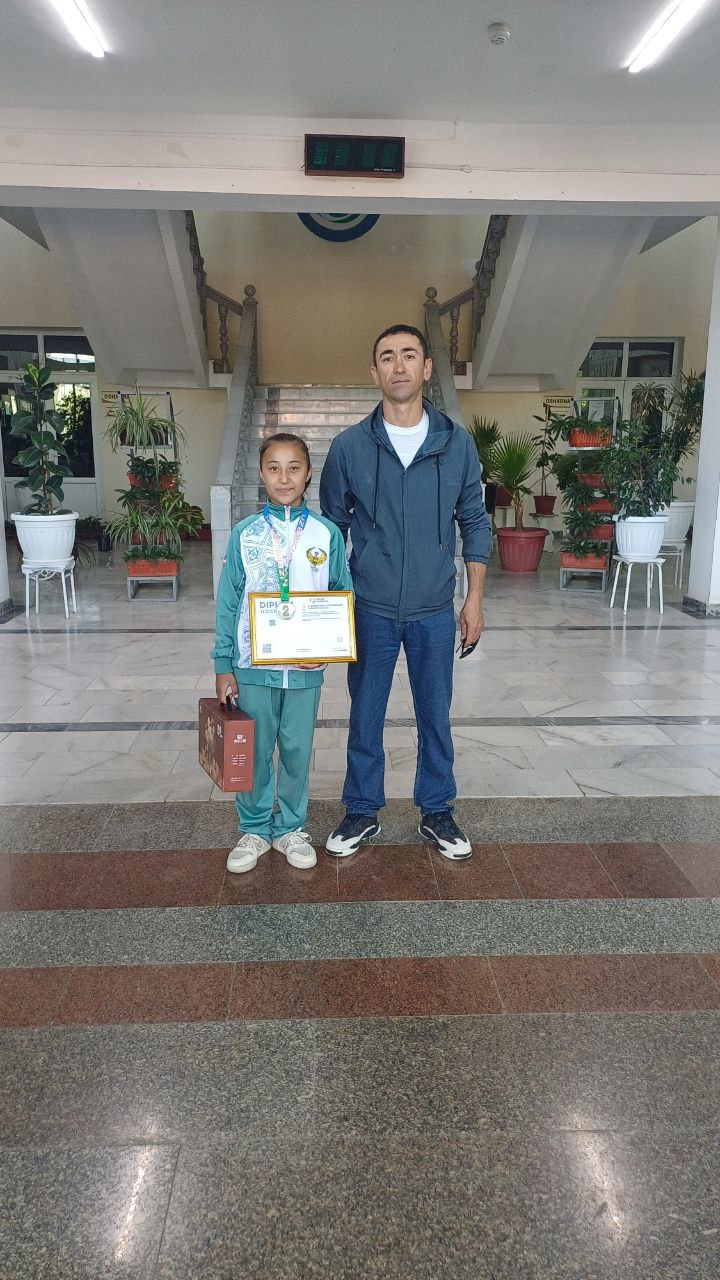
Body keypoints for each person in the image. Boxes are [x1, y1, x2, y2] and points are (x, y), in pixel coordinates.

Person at [319, 324, 491, 860]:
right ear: (374, 372)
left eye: (409, 355)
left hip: (434, 608)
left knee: (435, 713)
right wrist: (326, 607)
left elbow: (474, 521)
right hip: (369, 607)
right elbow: (330, 531)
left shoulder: (456, 444)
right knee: (365, 713)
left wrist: (474, 599)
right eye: (388, 357)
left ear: (426, 368)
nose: (399, 366)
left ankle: (437, 811)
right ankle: (361, 809)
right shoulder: (349, 447)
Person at [213, 433, 352, 873]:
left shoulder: (325, 533)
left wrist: (326, 649)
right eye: (274, 468)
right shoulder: (245, 534)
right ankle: (254, 829)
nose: (284, 477)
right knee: (254, 750)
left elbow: (341, 593)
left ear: (308, 474)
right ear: (261, 474)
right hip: (253, 667)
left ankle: (291, 827)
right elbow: (228, 601)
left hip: (305, 669)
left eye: (294, 467)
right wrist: (223, 663)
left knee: (296, 750)